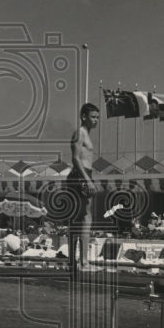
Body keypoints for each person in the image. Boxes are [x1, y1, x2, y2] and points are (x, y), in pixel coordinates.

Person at [67, 102, 100, 274]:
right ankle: (83, 262)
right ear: (84, 117)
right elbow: (75, 158)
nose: (96, 120)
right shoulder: (79, 133)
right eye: (93, 117)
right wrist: (87, 180)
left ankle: (75, 261)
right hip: (80, 175)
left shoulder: (86, 134)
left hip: (84, 174)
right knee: (85, 218)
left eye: (97, 117)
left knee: (81, 218)